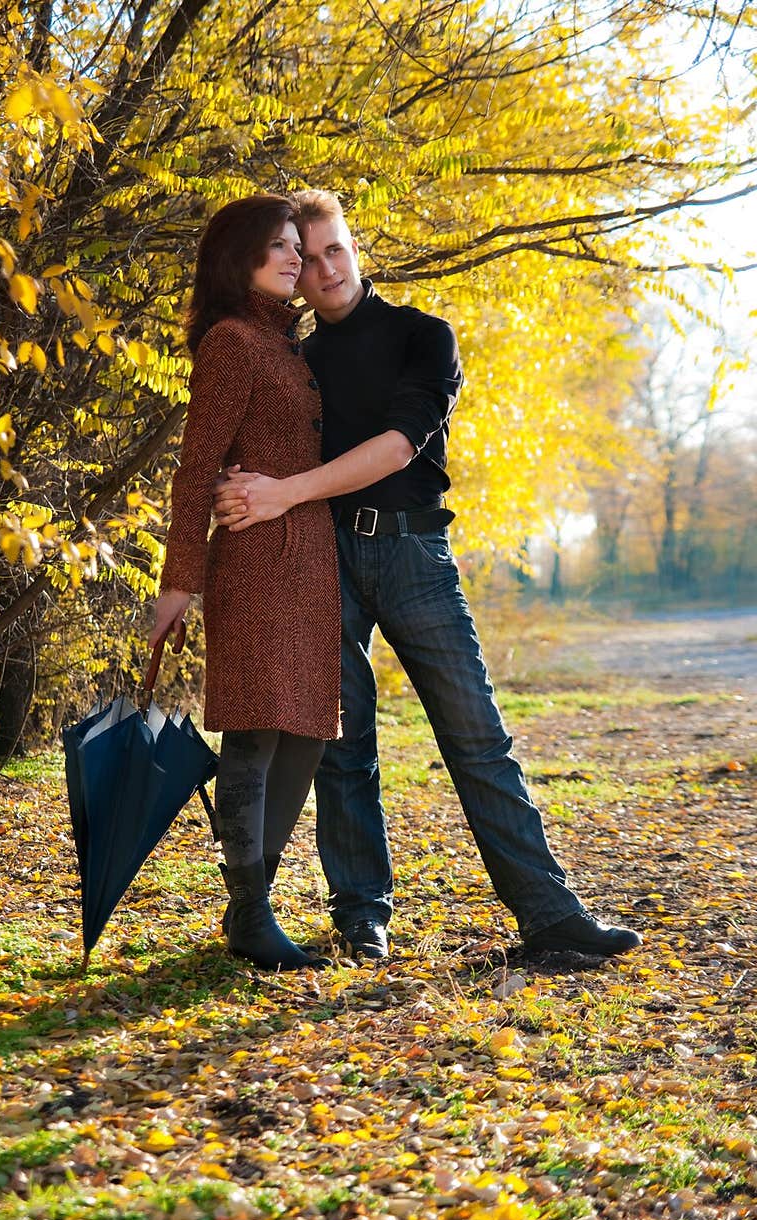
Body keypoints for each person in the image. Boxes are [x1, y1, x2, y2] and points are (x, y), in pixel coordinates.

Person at [213, 189, 642, 963]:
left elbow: (399, 445)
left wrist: (284, 492)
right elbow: (252, 447)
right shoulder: (294, 364)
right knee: (342, 744)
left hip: (414, 554)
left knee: (475, 733)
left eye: (335, 248)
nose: (324, 268)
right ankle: (361, 917)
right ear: (293, 274)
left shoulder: (424, 336)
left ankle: (550, 917)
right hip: (323, 559)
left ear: (356, 247)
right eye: (305, 259)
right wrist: (239, 486)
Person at [149, 195, 424, 971]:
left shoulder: (289, 345)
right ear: (237, 258)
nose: (293, 260)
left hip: (310, 562)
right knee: (256, 728)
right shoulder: (233, 342)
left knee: (308, 726)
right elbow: (196, 466)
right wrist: (180, 580)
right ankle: (250, 909)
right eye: (276, 248)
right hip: (255, 561)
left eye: (295, 250)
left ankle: (252, 897)